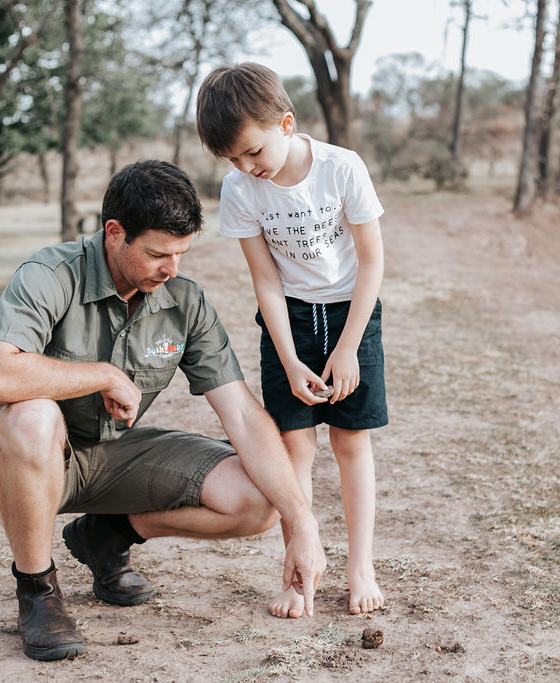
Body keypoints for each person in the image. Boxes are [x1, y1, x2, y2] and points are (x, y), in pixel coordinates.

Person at [0, 160, 326, 661]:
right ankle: (38, 591)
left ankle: (106, 534)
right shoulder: (50, 274)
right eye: (158, 253)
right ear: (115, 233)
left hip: (111, 455)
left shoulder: (184, 300)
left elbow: (241, 415)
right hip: (24, 456)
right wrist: (104, 374)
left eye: (181, 253)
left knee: (259, 498)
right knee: (35, 417)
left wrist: (301, 523)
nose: (172, 268)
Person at [196, 63, 387, 619]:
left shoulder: (341, 168)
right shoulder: (240, 190)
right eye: (232, 160)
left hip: (353, 312)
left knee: (351, 443)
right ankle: (299, 568)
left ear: (285, 123)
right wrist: (289, 355)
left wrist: (349, 346)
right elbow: (266, 281)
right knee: (294, 446)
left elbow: (372, 261)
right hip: (290, 321)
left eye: (252, 152)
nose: (245, 167)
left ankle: (360, 565)